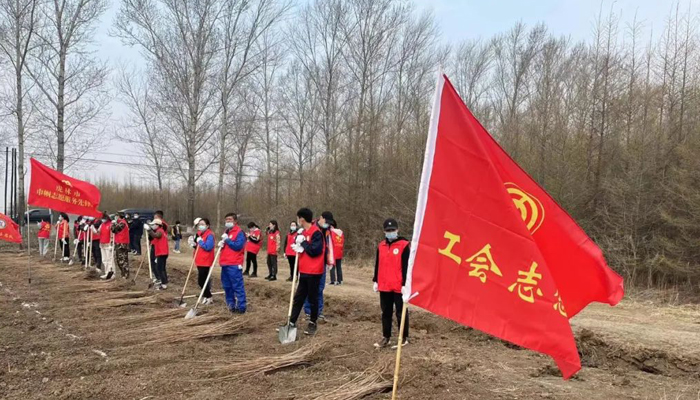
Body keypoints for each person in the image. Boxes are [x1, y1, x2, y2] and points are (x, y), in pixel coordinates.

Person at [285, 208, 325, 336]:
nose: (297, 221)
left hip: (314, 271)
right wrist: (298, 244)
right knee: (298, 297)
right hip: (303, 270)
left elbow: (315, 251)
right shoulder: (302, 232)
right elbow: (302, 247)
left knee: (313, 298)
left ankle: (313, 322)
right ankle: (291, 321)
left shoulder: (316, 233)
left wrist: (304, 243)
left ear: (302, 219)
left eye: (298, 218)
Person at [372, 218, 410, 349]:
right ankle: (386, 337)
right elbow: (378, 264)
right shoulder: (381, 246)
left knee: (401, 312)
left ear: (397, 230)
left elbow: (406, 266)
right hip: (384, 285)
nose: (390, 232)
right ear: (384, 231)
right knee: (386, 312)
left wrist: (405, 284)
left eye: (393, 230)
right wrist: (375, 280)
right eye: (388, 230)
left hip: (399, 286)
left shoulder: (404, 245)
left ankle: (403, 337)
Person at [304, 211, 334, 321]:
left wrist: (329, 260)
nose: (328, 224)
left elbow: (329, 246)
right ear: (321, 218)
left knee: (320, 288)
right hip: (311, 263)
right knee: (309, 288)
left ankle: (318, 311)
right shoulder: (311, 228)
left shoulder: (328, 231)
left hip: (322, 263)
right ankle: (308, 311)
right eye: (326, 222)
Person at [219, 213, 247, 313]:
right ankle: (231, 305)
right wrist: (222, 244)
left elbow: (238, 246)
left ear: (235, 221)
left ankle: (241, 307)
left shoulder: (239, 232)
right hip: (225, 263)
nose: (228, 221)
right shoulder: (226, 232)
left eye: (230, 219)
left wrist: (227, 240)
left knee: (237, 286)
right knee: (227, 286)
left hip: (234, 263)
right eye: (226, 219)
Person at [193, 218, 215, 304]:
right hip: (199, 259)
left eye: (202, 224)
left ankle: (208, 296)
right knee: (203, 280)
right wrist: (194, 244)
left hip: (205, 260)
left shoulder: (209, 235)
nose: (200, 226)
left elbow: (208, 247)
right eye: (199, 224)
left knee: (201, 281)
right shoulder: (200, 234)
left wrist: (200, 241)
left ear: (207, 226)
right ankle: (206, 295)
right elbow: (198, 246)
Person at [145, 218, 169, 290]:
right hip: (161, 252)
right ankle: (164, 281)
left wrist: (149, 230)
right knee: (161, 268)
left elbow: (156, 235)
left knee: (160, 268)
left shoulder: (160, 231)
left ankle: (163, 284)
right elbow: (153, 238)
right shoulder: (159, 231)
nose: (152, 226)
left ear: (157, 225)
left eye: (153, 225)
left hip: (162, 252)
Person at [111, 212, 130, 279]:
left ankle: (125, 274)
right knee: (119, 260)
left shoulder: (122, 223)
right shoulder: (121, 223)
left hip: (122, 244)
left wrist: (113, 224)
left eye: (117, 216)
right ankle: (123, 274)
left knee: (122, 260)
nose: (116, 217)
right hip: (119, 243)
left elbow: (114, 230)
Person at [96, 212, 114, 280]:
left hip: (108, 244)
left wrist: (111, 244)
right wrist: (92, 228)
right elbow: (98, 232)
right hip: (102, 244)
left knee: (110, 259)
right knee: (104, 260)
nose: (102, 220)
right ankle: (107, 272)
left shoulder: (111, 224)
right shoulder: (102, 224)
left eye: (103, 218)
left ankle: (112, 273)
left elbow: (112, 235)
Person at [329, 220, 345, 285]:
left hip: (333, 251)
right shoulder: (341, 232)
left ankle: (333, 280)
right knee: (339, 266)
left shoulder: (331, 232)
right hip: (339, 251)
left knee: (332, 266)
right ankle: (340, 280)